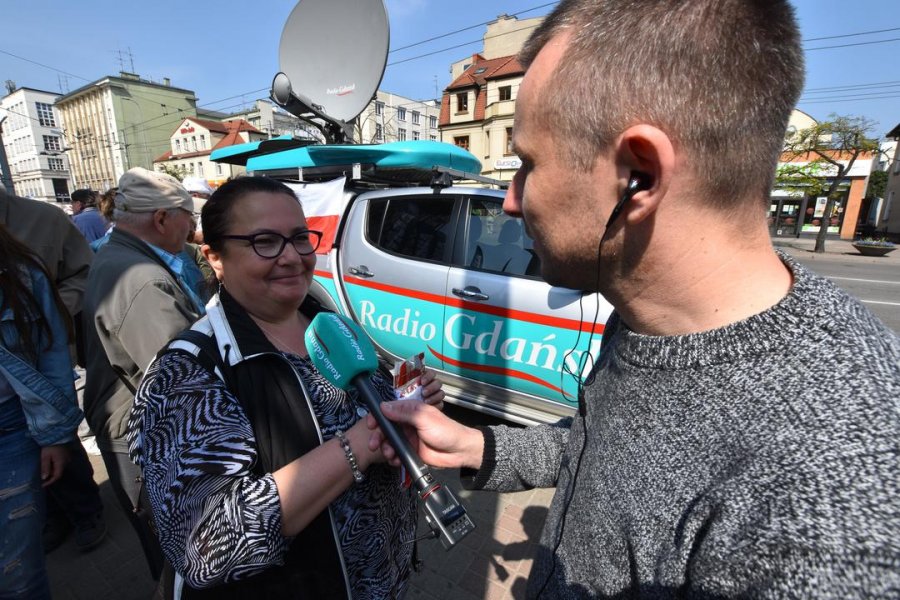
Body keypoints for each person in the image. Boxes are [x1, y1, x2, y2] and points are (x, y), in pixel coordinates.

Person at [369, 0, 900, 597]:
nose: (511, 202)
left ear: (638, 176)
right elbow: (605, 450)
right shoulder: (652, 317)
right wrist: (478, 445)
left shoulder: (829, 496)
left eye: (527, 164)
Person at [126, 176, 445, 598]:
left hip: (382, 579)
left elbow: (372, 406)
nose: (293, 257)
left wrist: (407, 402)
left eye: (299, 237)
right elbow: (206, 546)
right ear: (215, 257)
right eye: (265, 241)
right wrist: (360, 445)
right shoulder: (188, 373)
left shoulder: (326, 321)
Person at [82, 167, 203, 579]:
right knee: (176, 560)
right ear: (162, 219)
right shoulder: (142, 280)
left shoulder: (120, 256)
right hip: (137, 441)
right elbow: (185, 381)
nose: (192, 228)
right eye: (189, 217)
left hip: (125, 427)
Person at [0, 189, 106, 553]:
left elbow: (85, 272)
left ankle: (87, 511)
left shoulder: (44, 218)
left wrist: (48, 309)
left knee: (60, 438)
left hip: (43, 361)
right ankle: (53, 518)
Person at [0, 223, 83, 598]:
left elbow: (51, 351)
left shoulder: (18, 271)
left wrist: (55, 436)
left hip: (10, 430)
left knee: (17, 572)